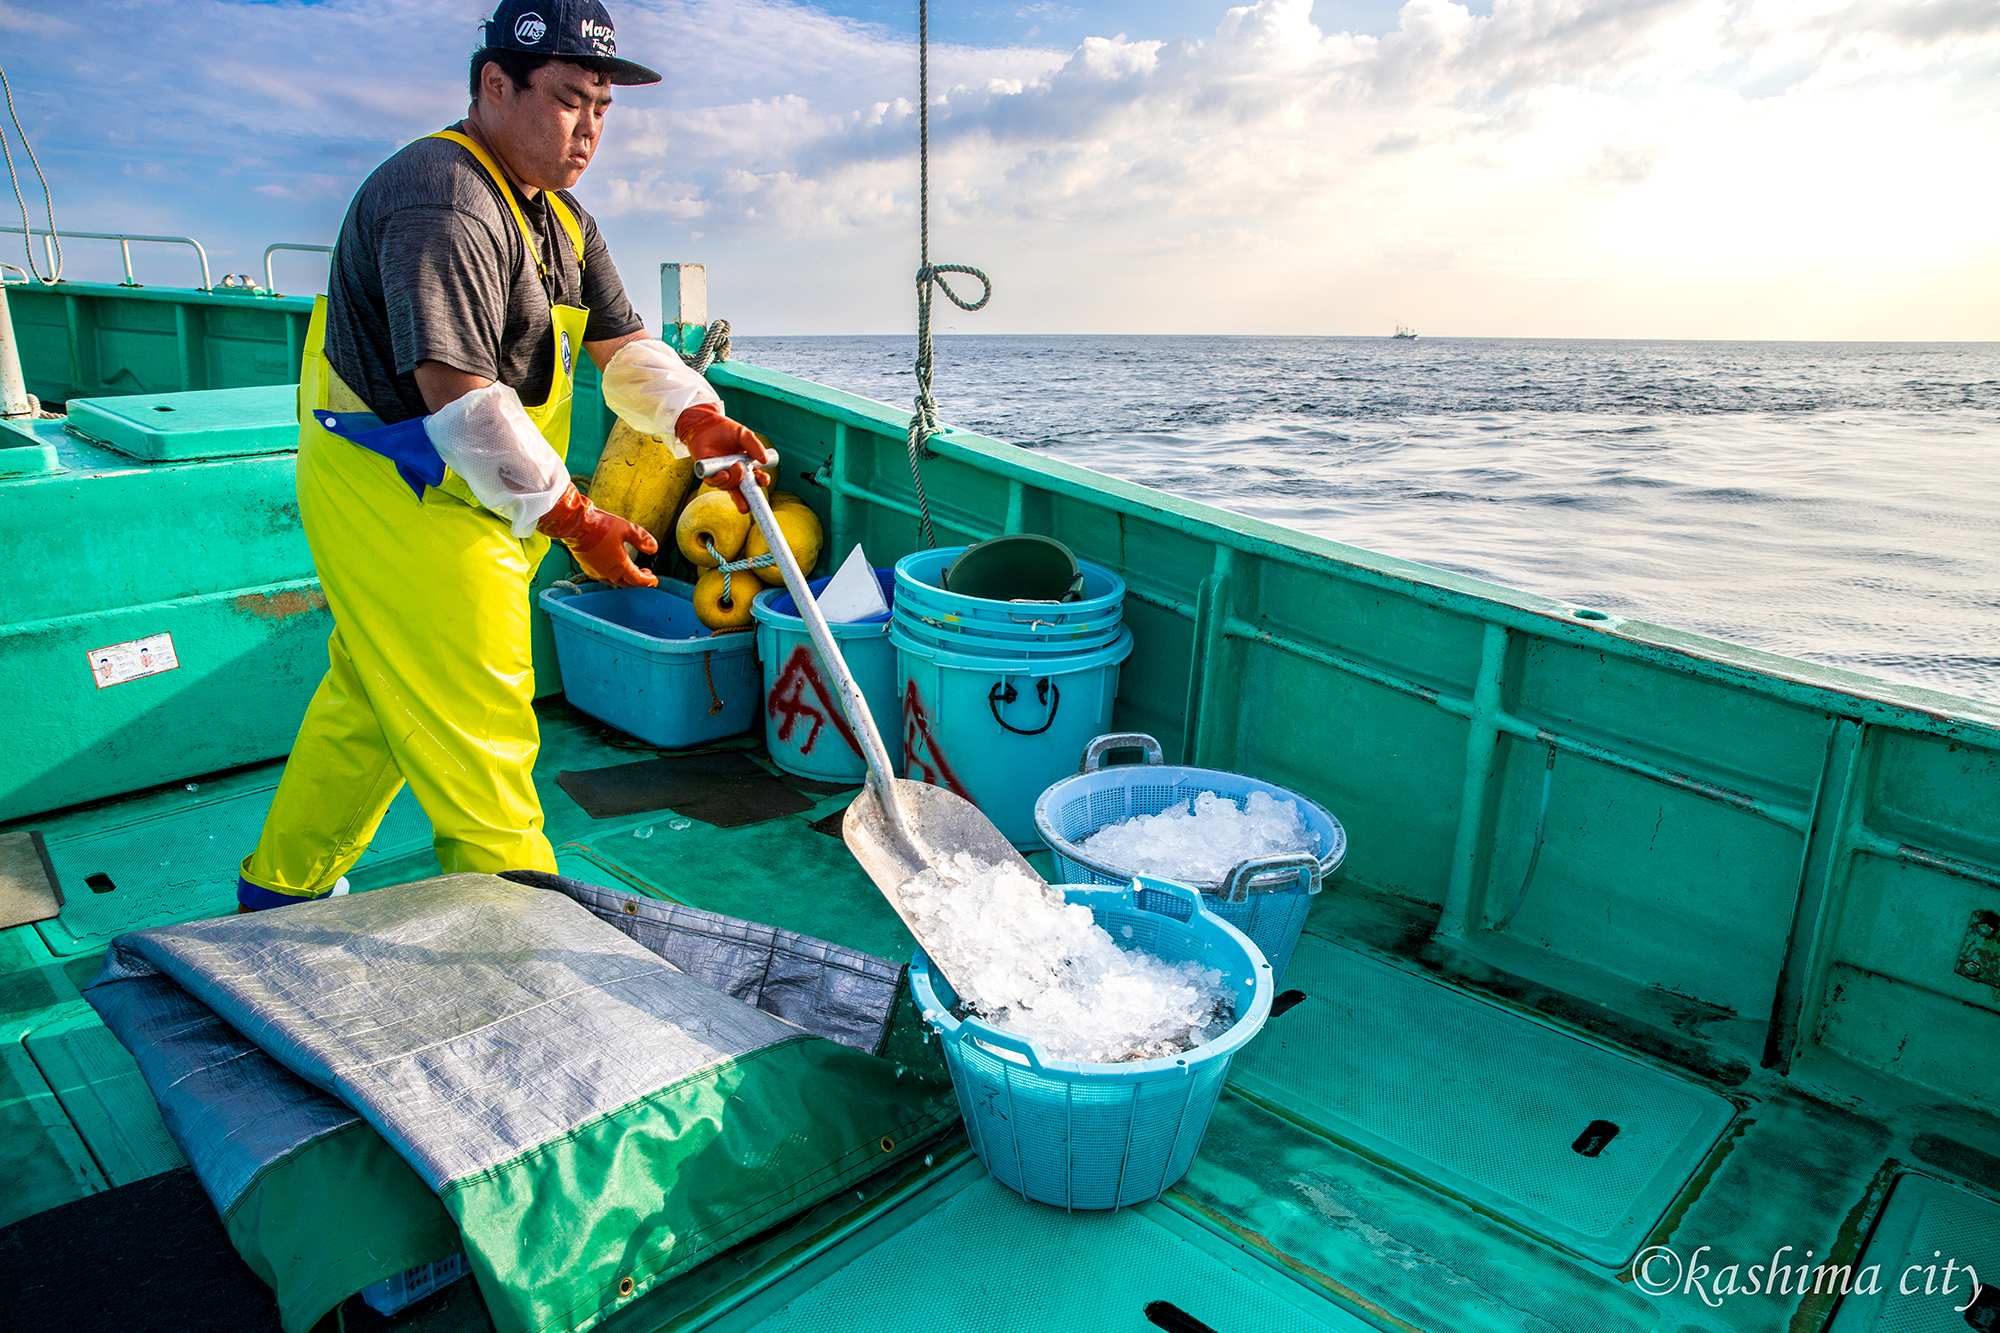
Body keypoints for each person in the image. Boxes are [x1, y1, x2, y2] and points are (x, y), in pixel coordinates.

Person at [236, 0, 771, 911]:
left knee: (371, 699)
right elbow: (463, 398)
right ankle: (531, 956)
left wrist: (696, 418)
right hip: (406, 492)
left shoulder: (563, 221)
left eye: (603, 105)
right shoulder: (442, 198)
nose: (590, 127)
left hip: (485, 496)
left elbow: (624, 346)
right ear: (495, 84)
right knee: (486, 732)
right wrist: (578, 520)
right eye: (570, 99)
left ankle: (278, 895)